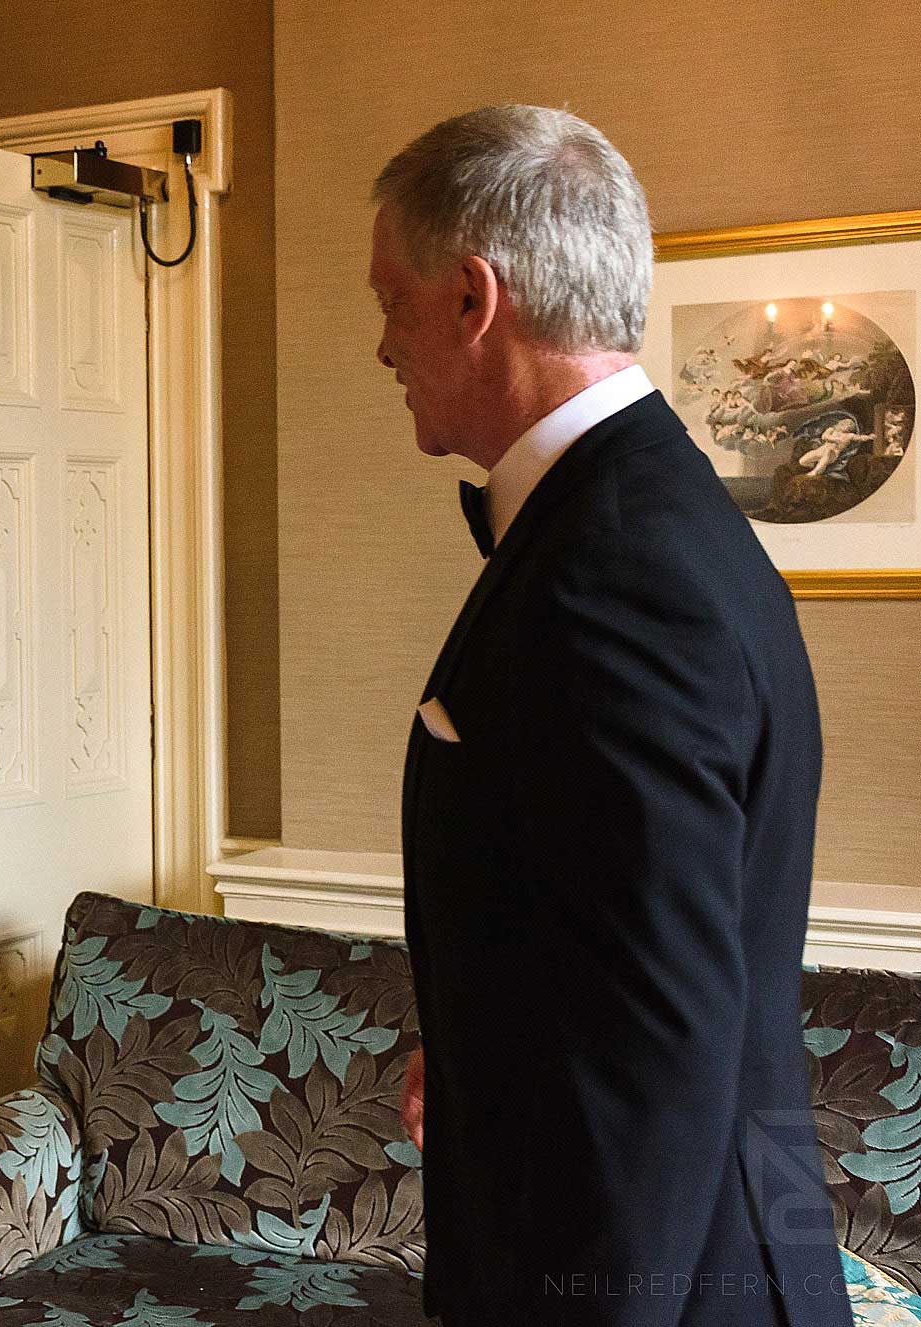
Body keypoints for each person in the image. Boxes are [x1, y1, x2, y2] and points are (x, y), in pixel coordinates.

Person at [374, 107, 846, 1325]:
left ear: (475, 298)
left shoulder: (621, 568)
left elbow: (658, 1044)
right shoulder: (637, 512)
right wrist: (476, 1044)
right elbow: (591, 918)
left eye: (391, 302)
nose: (381, 345)